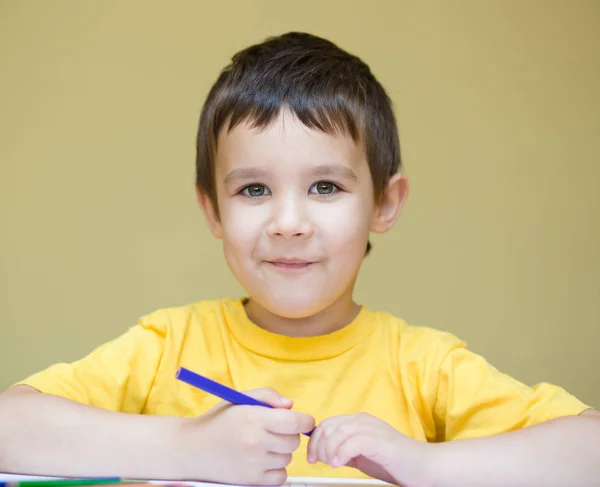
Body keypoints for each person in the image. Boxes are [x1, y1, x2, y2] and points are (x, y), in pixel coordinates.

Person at [0, 32, 598, 487]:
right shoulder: (167, 346)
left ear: (384, 203)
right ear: (213, 210)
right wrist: (187, 445)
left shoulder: (424, 366)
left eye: (325, 187)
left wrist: (425, 463)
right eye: (253, 190)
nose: (287, 224)